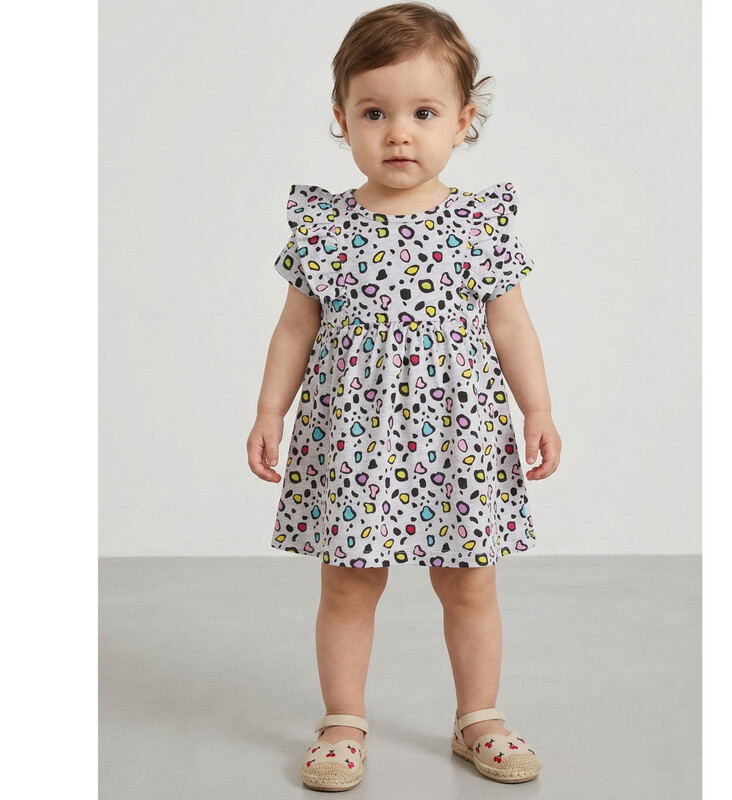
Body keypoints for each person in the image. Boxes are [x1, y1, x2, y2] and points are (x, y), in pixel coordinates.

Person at [246, 2, 561, 790]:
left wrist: (538, 409)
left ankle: (478, 717)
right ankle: (342, 721)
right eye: (374, 112)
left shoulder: (478, 224)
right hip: (355, 435)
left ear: (463, 121)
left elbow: (512, 326)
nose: (398, 134)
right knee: (349, 581)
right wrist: (269, 411)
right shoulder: (326, 227)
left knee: (470, 579)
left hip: (458, 434)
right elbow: (294, 329)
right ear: (341, 118)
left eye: (423, 113)